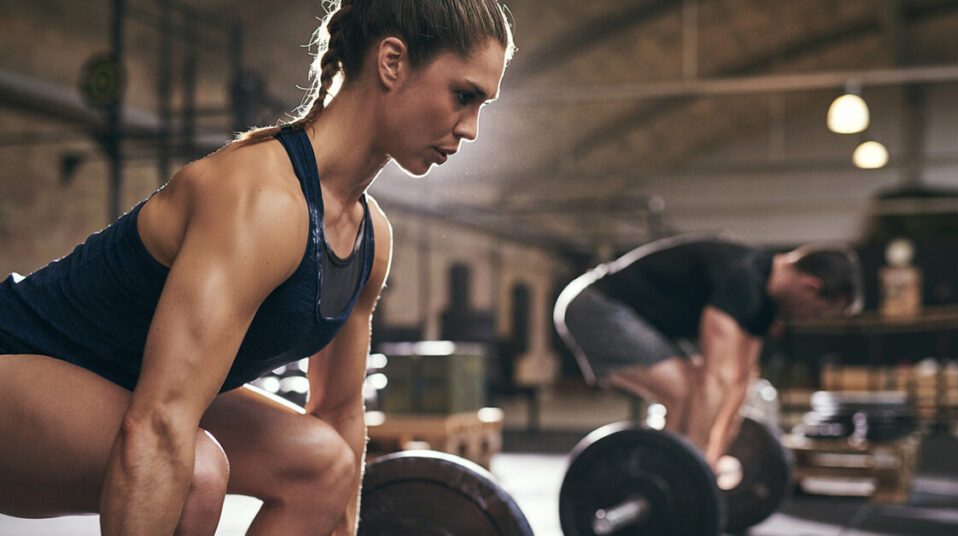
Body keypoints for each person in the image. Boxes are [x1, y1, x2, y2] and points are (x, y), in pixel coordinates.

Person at [0, 1, 514, 534]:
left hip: (126, 388)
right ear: (391, 62)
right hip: (16, 363)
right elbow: (159, 425)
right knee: (196, 469)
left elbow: (340, 413)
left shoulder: (370, 238)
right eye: (464, 95)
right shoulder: (262, 199)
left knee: (324, 462)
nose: (472, 128)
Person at [554, 235, 862, 466]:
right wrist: (697, 465)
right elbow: (715, 379)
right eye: (819, 312)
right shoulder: (741, 277)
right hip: (595, 303)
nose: (812, 319)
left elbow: (740, 382)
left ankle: (662, 472)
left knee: (691, 395)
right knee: (688, 392)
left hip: (636, 318)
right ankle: (660, 474)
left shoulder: (765, 306)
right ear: (811, 286)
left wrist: (713, 455)